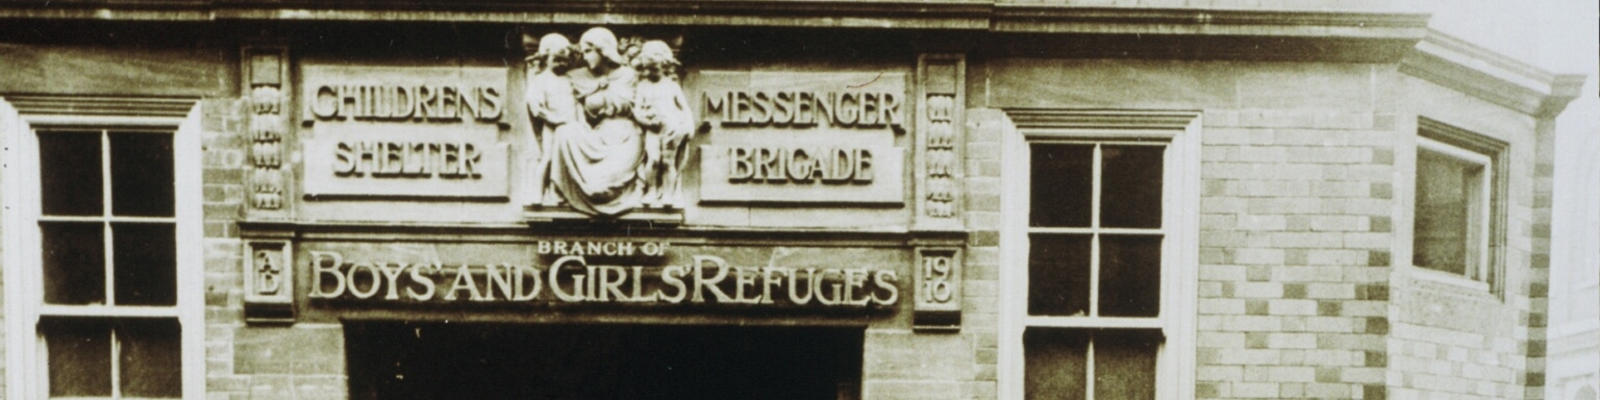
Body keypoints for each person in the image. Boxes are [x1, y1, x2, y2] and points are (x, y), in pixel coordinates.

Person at [544, 27, 646, 216]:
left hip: (625, 138)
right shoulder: (576, 77)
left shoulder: (629, 75)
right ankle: (554, 191)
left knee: (599, 188)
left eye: (589, 51)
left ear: (603, 49)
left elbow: (637, 106)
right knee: (564, 132)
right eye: (583, 52)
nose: (585, 56)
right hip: (594, 136)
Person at [630, 40, 694, 208]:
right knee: (653, 160)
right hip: (653, 128)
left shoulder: (671, 86)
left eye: (655, 68)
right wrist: (646, 121)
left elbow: (684, 108)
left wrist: (689, 126)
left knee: (668, 162)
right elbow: (636, 110)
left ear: (664, 65)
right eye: (648, 68)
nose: (652, 72)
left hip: (671, 128)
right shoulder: (643, 86)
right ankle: (651, 190)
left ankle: (667, 193)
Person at [523, 33, 578, 207]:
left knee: (567, 161)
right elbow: (536, 108)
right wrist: (554, 119)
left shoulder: (570, 80)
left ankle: (559, 193)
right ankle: (537, 192)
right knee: (547, 158)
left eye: (565, 60)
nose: (562, 63)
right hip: (552, 127)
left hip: (570, 128)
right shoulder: (541, 80)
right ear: (546, 57)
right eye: (557, 59)